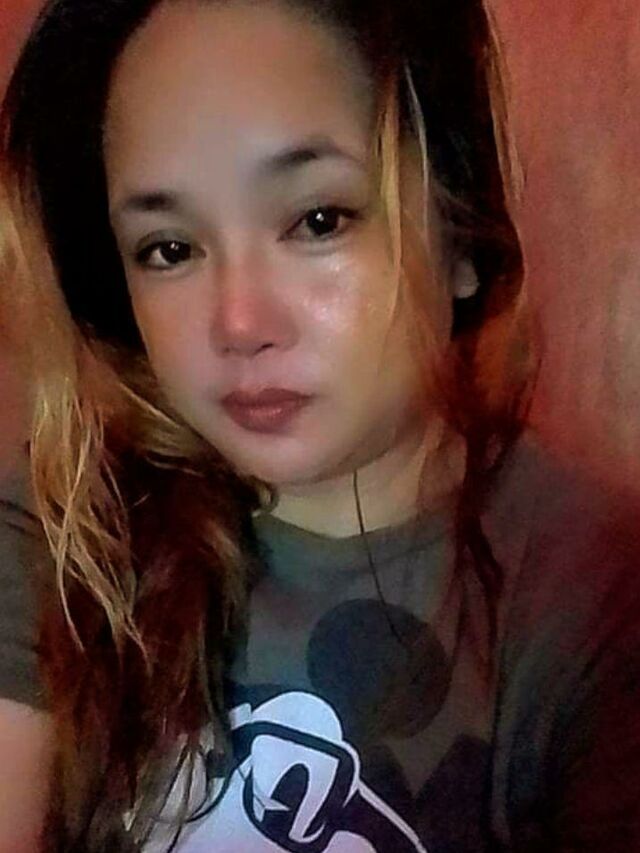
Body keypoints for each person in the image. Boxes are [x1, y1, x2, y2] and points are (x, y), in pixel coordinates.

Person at [0, 0, 639, 850]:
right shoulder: (69, 533)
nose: (238, 323)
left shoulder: (593, 600)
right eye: (169, 249)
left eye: (317, 220)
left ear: (459, 233)